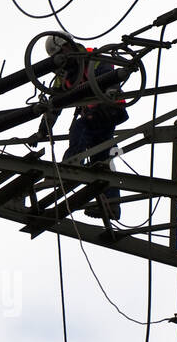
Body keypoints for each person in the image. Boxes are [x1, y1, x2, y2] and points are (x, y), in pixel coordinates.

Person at [38, 34, 130, 220]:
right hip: (96, 114)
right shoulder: (63, 75)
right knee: (101, 159)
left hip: (108, 108)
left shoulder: (91, 58)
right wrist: (44, 128)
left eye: (61, 52)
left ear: (69, 47)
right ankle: (111, 206)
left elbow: (108, 74)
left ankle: (69, 167)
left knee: (79, 129)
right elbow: (55, 103)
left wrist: (111, 92)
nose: (61, 59)